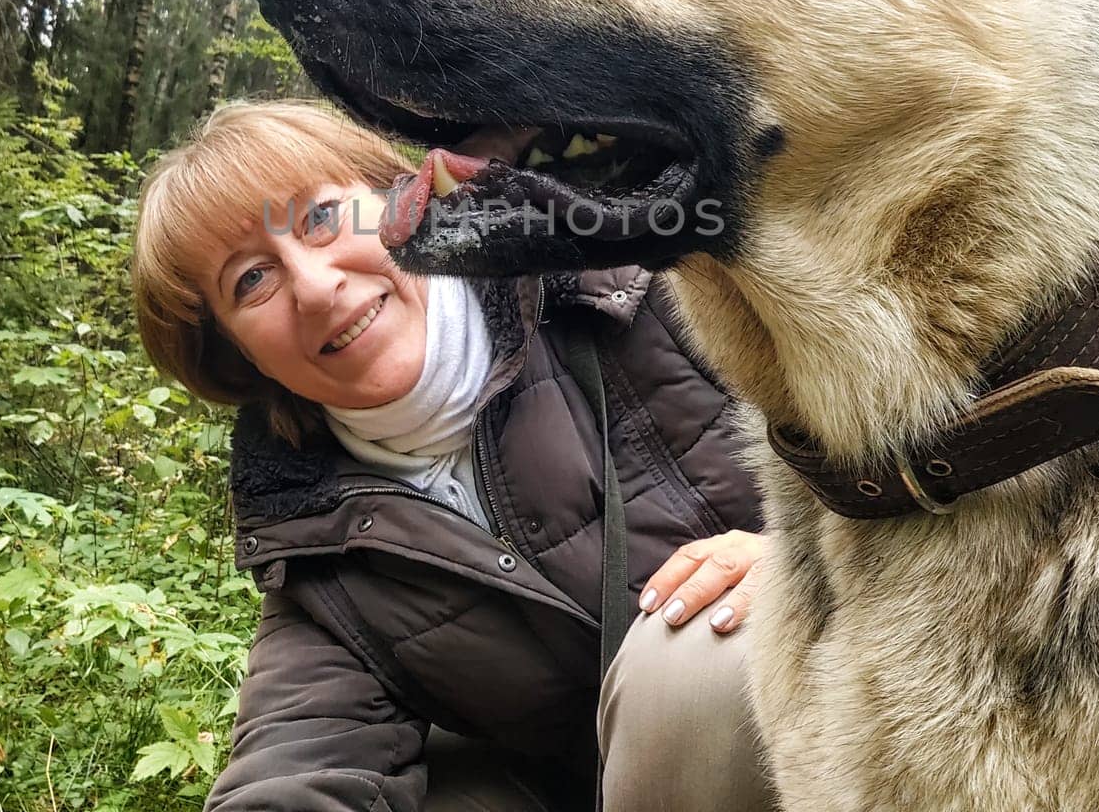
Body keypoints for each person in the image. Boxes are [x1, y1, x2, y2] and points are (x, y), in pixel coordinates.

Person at [130, 100, 777, 811]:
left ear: (400, 197)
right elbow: (299, 758)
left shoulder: (641, 280)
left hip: (850, 702)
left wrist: (796, 556)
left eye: (318, 219)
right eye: (251, 281)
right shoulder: (317, 546)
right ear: (238, 355)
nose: (315, 289)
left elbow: (895, 429)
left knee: (703, 664)